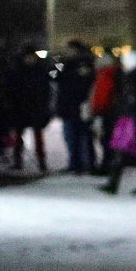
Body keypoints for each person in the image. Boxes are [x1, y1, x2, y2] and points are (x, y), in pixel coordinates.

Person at [99, 48, 136, 195]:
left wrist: (123, 112)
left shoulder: (132, 79)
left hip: (131, 121)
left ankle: (114, 183)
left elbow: (131, 100)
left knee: (121, 150)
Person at [53, 39, 96, 175]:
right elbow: (55, 77)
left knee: (83, 136)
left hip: (80, 105)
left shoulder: (84, 64)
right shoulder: (65, 63)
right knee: (71, 136)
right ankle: (75, 163)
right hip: (68, 106)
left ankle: (86, 164)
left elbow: (83, 84)